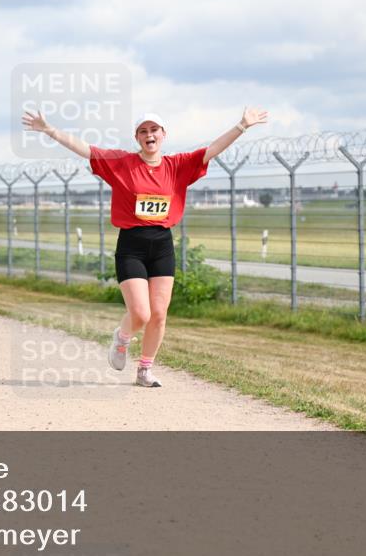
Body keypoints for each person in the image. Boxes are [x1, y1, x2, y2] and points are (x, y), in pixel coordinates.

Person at [22, 107, 267, 387]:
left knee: (159, 314)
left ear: (163, 135)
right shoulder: (121, 162)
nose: (149, 135)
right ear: (137, 137)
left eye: (154, 130)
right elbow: (84, 149)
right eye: (143, 131)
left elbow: (213, 150)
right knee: (141, 313)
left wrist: (242, 125)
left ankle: (145, 370)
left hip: (162, 243)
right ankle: (122, 338)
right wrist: (49, 129)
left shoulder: (178, 165)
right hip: (131, 244)